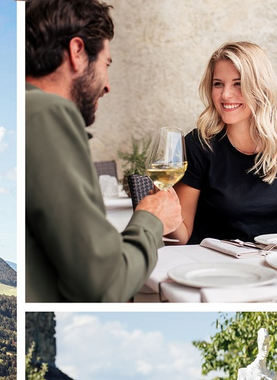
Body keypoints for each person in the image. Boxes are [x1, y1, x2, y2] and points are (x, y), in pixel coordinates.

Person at [25, 0, 182, 302]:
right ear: (77, 52)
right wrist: (151, 219)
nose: (107, 86)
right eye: (106, 64)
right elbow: (104, 284)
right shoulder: (48, 113)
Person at [170, 42, 277, 244]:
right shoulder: (198, 145)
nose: (226, 94)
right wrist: (164, 201)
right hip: (216, 269)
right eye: (218, 83)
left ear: (259, 86)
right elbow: (180, 237)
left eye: (238, 83)